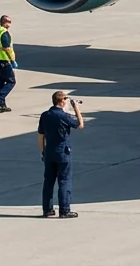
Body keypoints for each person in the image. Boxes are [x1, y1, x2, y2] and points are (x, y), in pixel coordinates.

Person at [37, 90, 85, 218]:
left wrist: (43, 152)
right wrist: (76, 108)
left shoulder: (45, 115)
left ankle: (47, 209)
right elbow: (80, 125)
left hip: (49, 153)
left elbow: (40, 136)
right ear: (62, 101)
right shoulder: (65, 116)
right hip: (63, 153)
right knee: (64, 181)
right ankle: (64, 210)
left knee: (48, 181)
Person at [0, 14, 17, 113]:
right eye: (9, 22)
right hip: (3, 60)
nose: (10, 24)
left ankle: (1, 104)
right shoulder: (4, 33)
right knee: (11, 82)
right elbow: (7, 48)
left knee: (0, 82)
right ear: (5, 23)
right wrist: (13, 60)